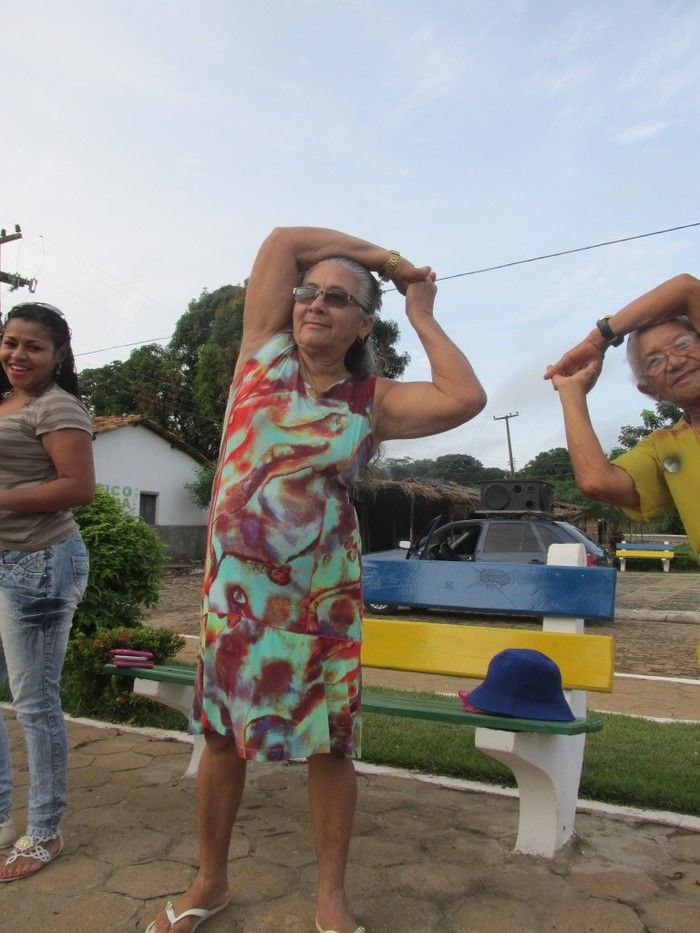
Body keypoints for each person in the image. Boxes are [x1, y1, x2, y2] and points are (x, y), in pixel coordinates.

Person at [146, 227, 486, 933]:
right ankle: (210, 879)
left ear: (363, 323)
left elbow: (465, 396)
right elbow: (284, 240)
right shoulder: (259, 356)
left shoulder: (373, 398)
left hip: (321, 598)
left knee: (331, 744)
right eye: (309, 291)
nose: (316, 304)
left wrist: (419, 309)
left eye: (339, 298)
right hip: (233, 598)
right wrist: (384, 261)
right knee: (218, 737)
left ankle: (331, 897)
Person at [0, 302, 94, 881]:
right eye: (10, 342)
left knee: (35, 704)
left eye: (33, 346)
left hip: (38, 562)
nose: (18, 354)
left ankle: (44, 829)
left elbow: (77, 487)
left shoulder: (57, 406)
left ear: (58, 354)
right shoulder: (6, 403)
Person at [544, 273, 700, 553]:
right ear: (650, 391)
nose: (675, 361)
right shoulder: (666, 448)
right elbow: (597, 481)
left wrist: (598, 340)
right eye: (654, 361)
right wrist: (571, 392)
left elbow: (687, 289)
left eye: (683, 344)